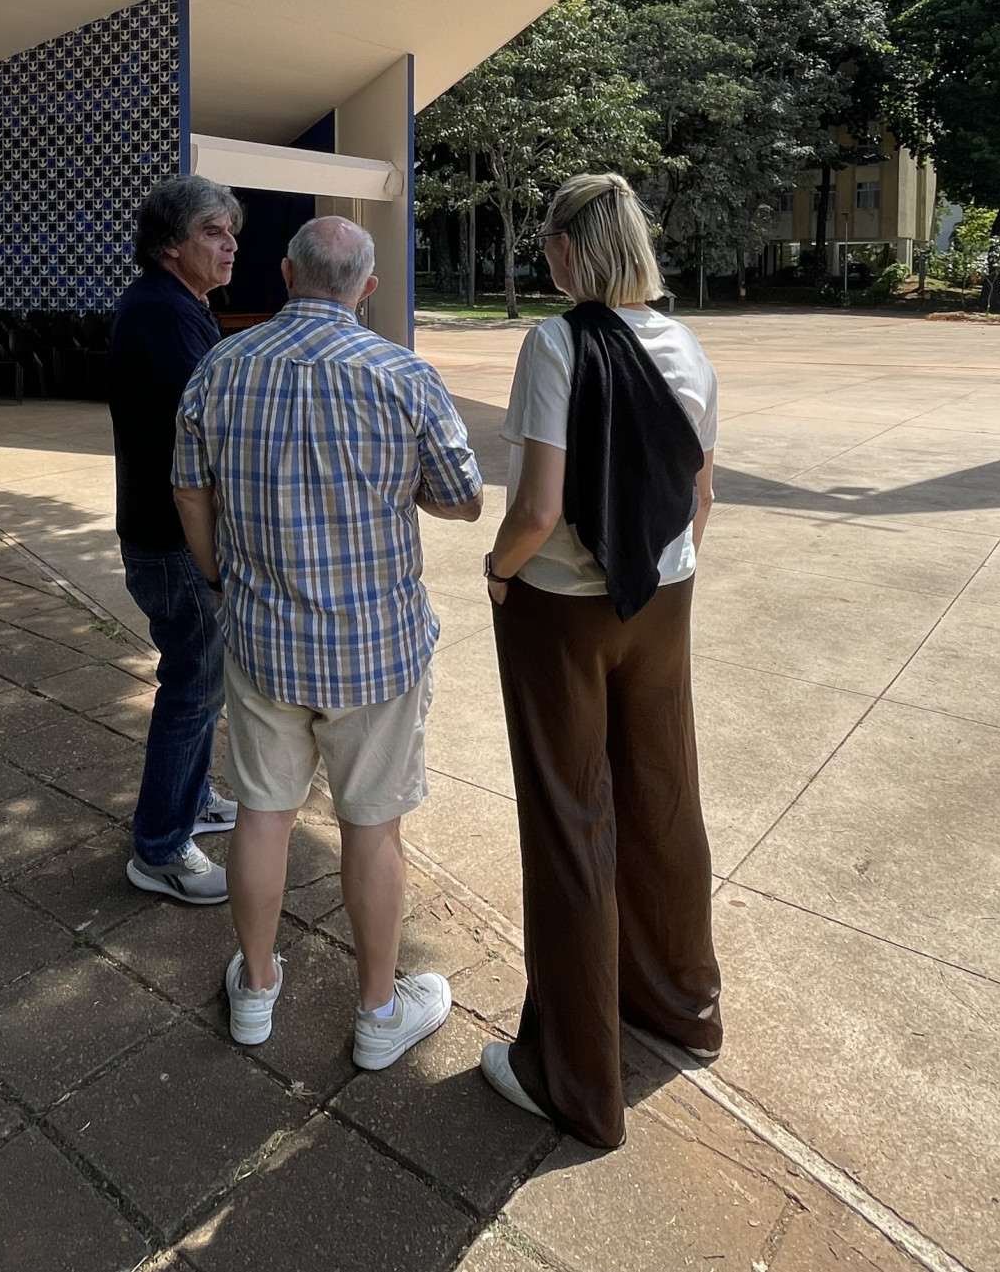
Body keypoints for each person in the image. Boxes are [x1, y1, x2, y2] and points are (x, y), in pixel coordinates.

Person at [171, 216, 484, 1070]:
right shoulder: (404, 376)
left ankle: (259, 989)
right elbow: (463, 498)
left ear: (284, 272)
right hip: (377, 650)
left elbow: (189, 493)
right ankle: (380, 1009)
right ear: (367, 288)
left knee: (263, 814)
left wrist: (218, 576)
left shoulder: (220, 368)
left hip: (264, 637)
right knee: (373, 827)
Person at [475, 172, 722, 1149]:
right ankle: (679, 1005)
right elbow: (701, 492)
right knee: (663, 799)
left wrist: (497, 574)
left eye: (548, 242)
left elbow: (537, 509)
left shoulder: (555, 342)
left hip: (564, 607)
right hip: (665, 594)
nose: (544, 258)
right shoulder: (688, 343)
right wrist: (666, 570)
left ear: (574, 249)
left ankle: (574, 1079)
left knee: (569, 823)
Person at [109, 174, 245, 904]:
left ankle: (190, 801)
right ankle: (160, 846)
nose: (229, 247)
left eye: (232, 234)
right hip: (173, 539)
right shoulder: (161, 316)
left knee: (202, 680)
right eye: (213, 232)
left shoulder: (179, 307)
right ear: (171, 244)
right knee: (192, 686)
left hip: (173, 533)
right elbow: (204, 435)